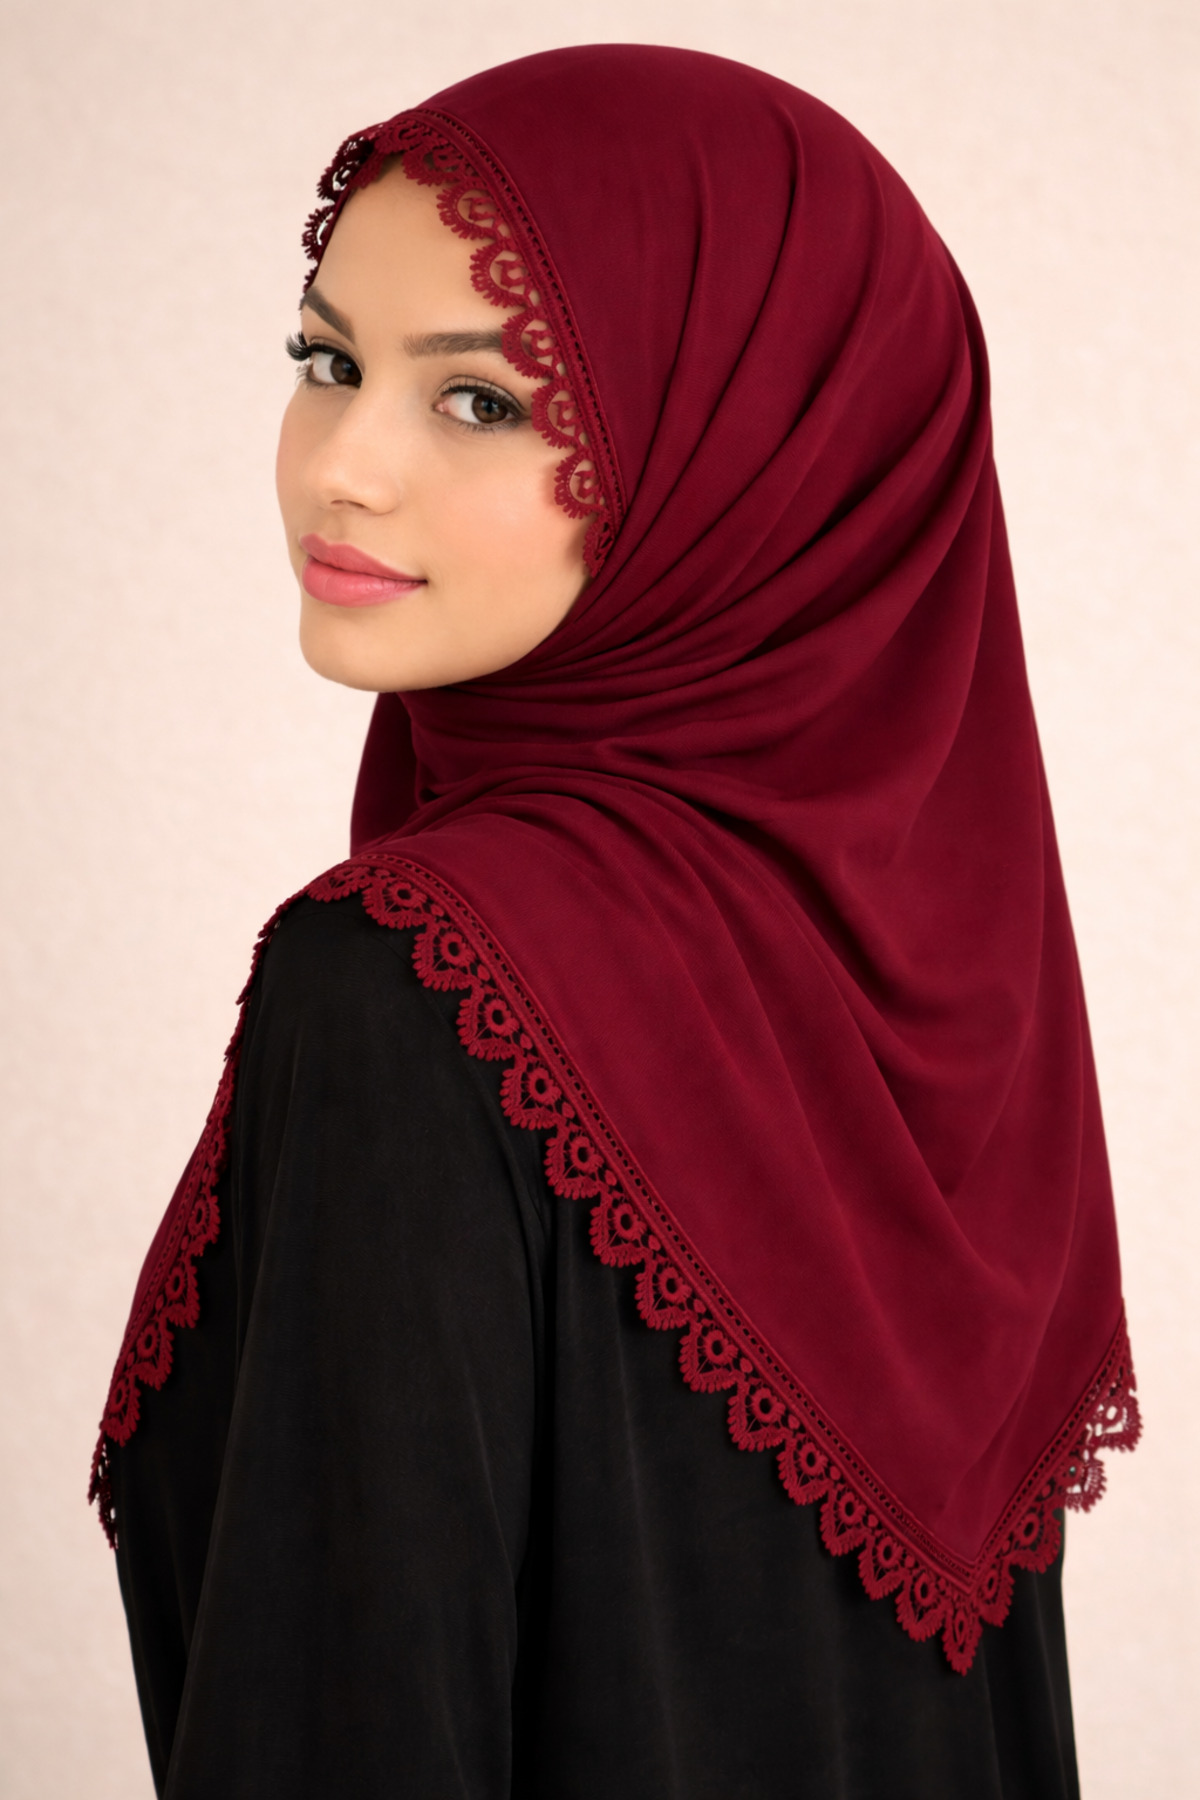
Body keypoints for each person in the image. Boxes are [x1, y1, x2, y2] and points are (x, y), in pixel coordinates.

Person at [92, 44, 1140, 1800]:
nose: (343, 468)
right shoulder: (941, 1001)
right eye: (327, 363)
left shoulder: (416, 986)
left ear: (756, 461)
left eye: (478, 398)